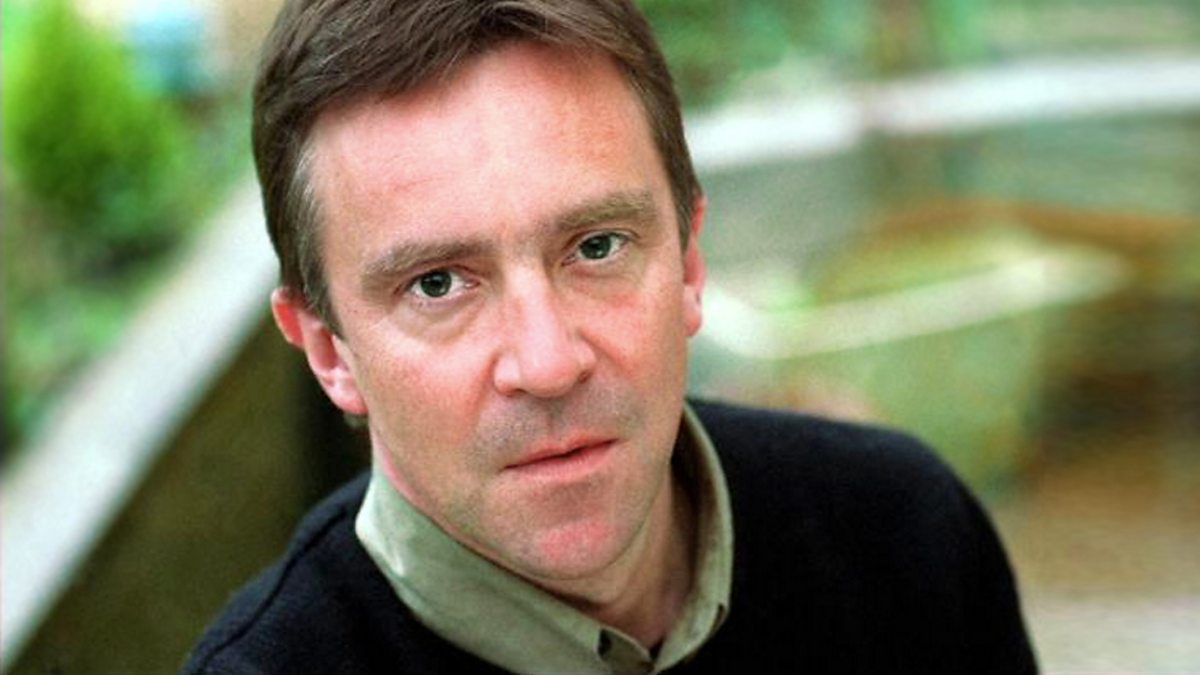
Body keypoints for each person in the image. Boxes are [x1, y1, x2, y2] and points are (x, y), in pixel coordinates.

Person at [185, 0, 1037, 672]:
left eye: (596, 246)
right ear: (328, 351)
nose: (549, 362)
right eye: (437, 283)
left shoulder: (904, 537)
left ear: (690, 263)